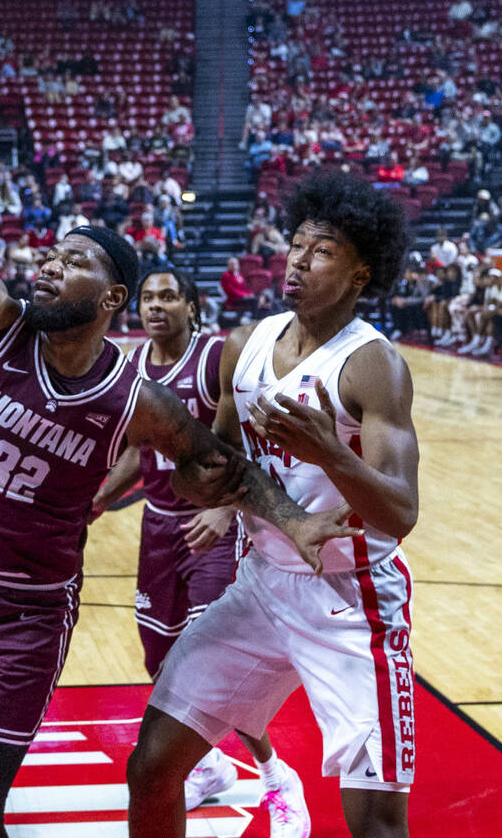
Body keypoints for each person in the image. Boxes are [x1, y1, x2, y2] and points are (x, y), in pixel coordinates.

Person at [0, 183, 357, 837]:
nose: (50, 265)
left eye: (73, 260)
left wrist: (295, 521)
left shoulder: (135, 400)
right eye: (51, 255)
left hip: (23, 615)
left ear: (112, 297)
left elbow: (216, 463)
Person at [127, 173, 418, 838]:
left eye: (322, 251)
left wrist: (332, 454)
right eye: (296, 245)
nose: (298, 261)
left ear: (360, 273)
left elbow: (401, 512)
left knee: (377, 822)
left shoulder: (372, 365)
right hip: (261, 585)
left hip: (352, 599)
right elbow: (218, 466)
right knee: (152, 767)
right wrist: (198, 484)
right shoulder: (247, 344)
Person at [91, 269, 306, 826]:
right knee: (161, 659)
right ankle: (209, 768)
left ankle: (276, 777)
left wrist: (226, 507)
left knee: (217, 666)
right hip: (159, 527)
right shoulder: (134, 366)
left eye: (168, 296)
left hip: (214, 528)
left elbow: (248, 442)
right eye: (147, 298)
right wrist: (99, 498)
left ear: (191, 306)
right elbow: (138, 450)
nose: (155, 306)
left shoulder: (215, 359)